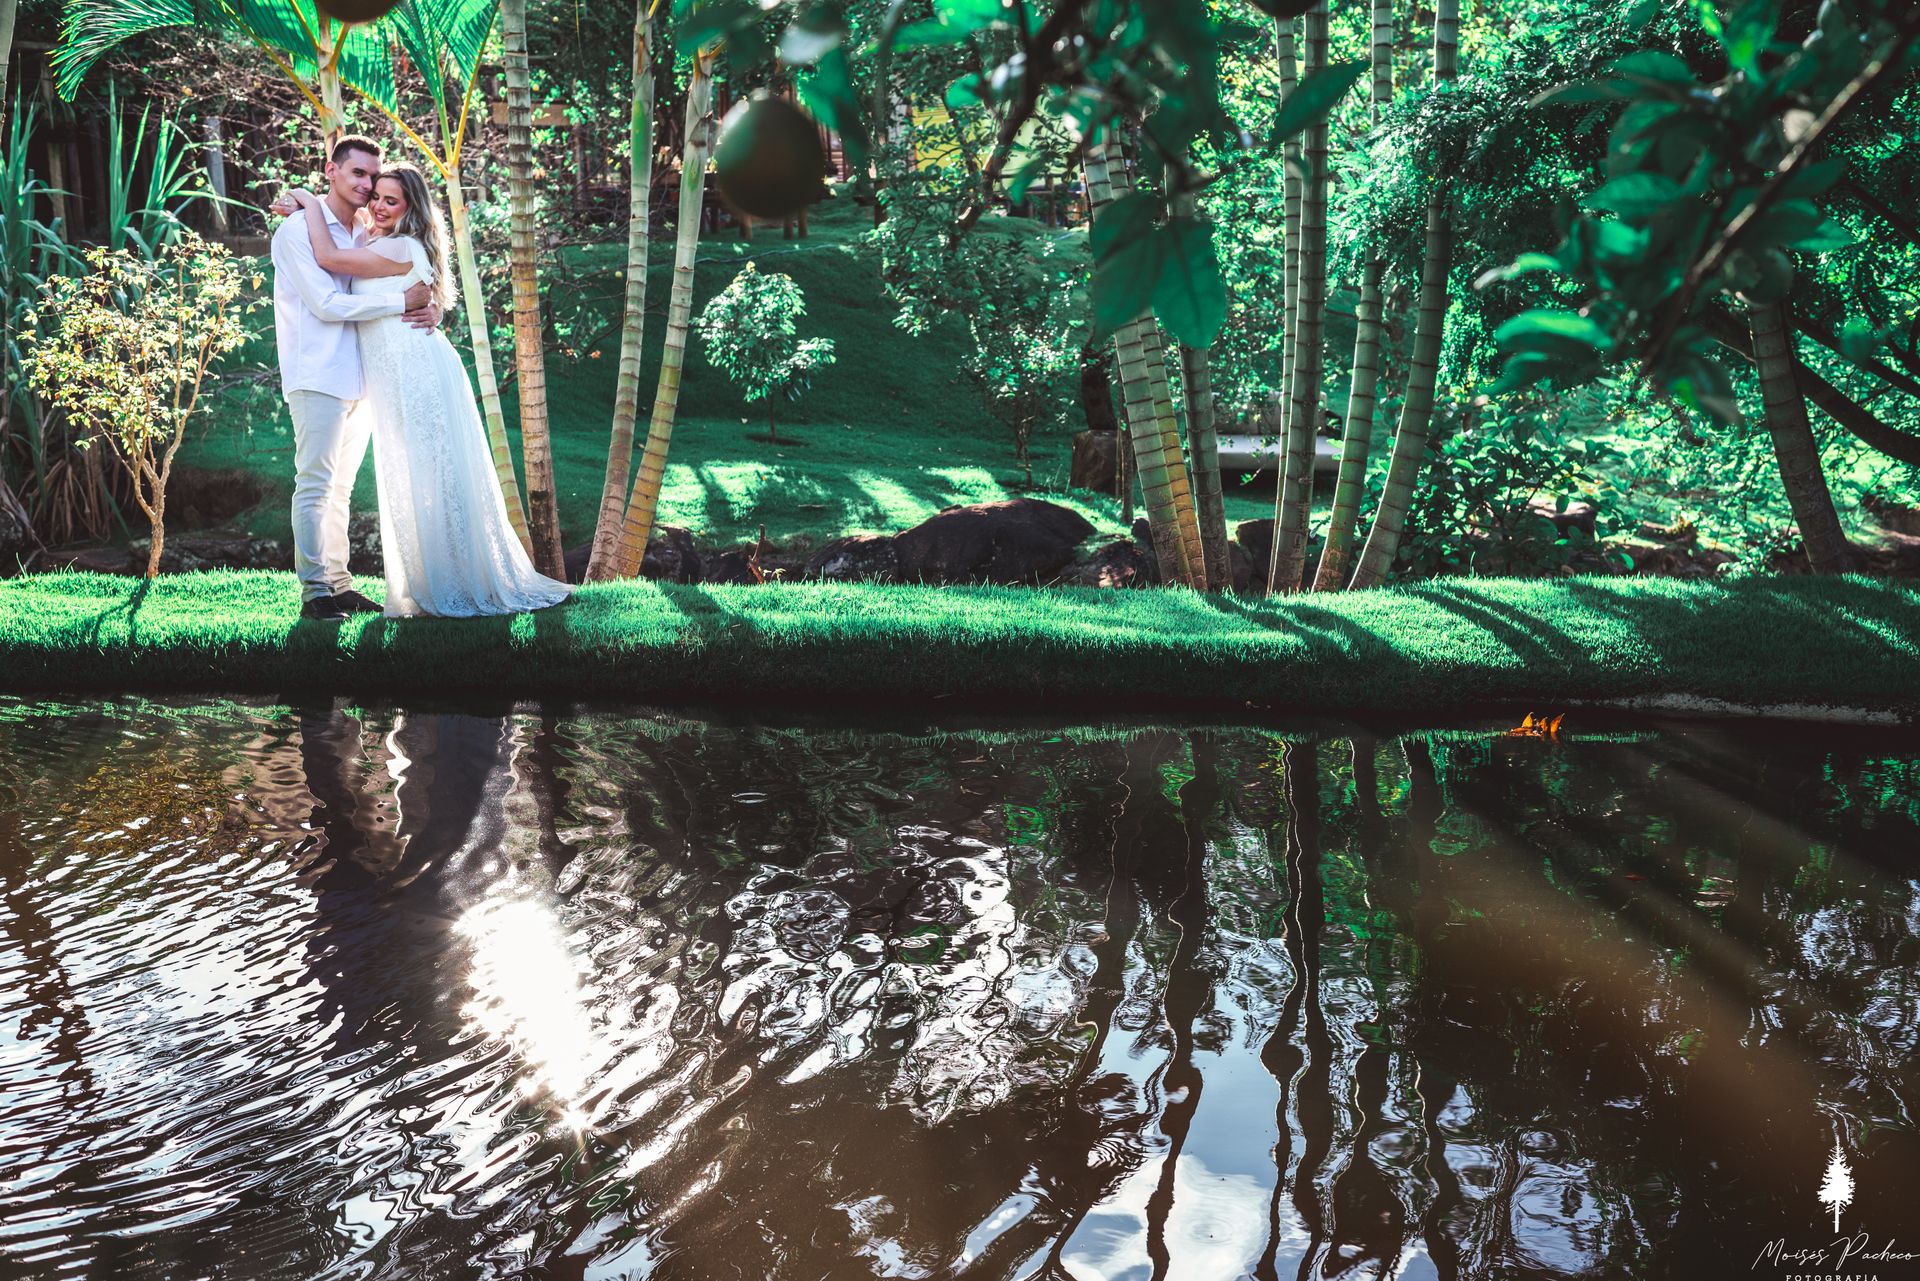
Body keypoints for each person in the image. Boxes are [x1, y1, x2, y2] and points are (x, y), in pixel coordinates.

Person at [278, 164, 571, 618]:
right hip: (387, 371)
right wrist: (308, 204)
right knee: (413, 475)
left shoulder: (399, 244)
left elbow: (331, 260)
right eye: (375, 195)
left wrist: (309, 198)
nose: (376, 204)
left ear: (411, 207)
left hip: (413, 368)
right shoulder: (374, 235)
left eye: (390, 200)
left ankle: (455, 580)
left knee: (432, 475)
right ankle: (405, 580)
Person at [270, 135, 440, 621]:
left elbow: (413, 274)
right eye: (358, 174)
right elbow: (326, 305)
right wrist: (400, 303)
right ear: (332, 171)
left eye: (373, 175)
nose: (367, 185)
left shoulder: (362, 232)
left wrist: (430, 310)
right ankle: (313, 592)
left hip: (363, 378)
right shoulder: (297, 233)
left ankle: (340, 584)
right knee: (315, 483)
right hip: (317, 372)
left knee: (342, 488)